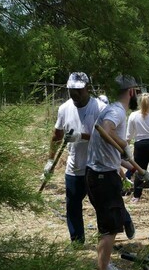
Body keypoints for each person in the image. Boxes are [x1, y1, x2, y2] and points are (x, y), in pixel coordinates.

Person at [86, 74, 148, 270]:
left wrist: (134, 168)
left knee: (110, 223)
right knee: (109, 228)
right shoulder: (116, 111)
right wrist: (123, 143)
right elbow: (106, 129)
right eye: (136, 92)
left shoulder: (111, 108)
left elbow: (110, 146)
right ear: (131, 92)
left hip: (101, 173)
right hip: (102, 177)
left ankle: (105, 264)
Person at [43, 72, 104, 244]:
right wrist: (50, 161)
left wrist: (82, 136)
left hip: (96, 166)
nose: (75, 94)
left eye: (78, 90)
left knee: (101, 205)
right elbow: (57, 136)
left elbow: (107, 138)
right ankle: (77, 241)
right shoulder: (64, 108)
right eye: (71, 90)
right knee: (72, 206)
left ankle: (107, 238)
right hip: (74, 166)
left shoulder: (99, 108)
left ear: (87, 88)